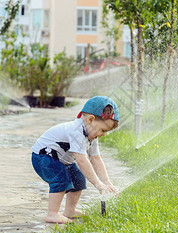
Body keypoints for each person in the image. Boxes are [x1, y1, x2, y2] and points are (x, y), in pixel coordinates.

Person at [31, 96, 119, 224]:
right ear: (90, 120)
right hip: (43, 157)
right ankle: (53, 214)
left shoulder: (91, 136)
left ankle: (70, 210)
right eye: (103, 130)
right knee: (61, 179)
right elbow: (82, 160)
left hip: (60, 160)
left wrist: (107, 183)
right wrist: (97, 183)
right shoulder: (76, 131)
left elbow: (96, 159)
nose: (103, 134)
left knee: (78, 179)